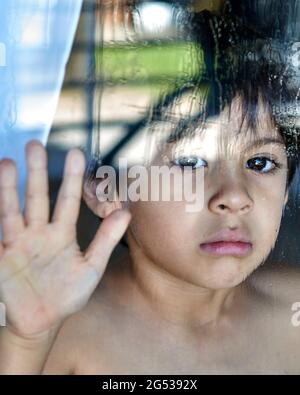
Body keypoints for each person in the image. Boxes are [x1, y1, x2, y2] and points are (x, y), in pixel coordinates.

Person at [0, 6, 300, 375]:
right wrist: (26, 342)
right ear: (105, 188)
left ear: (287, 190)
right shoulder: (58, 336)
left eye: (260, 163)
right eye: (190, 162)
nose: (235, 197)